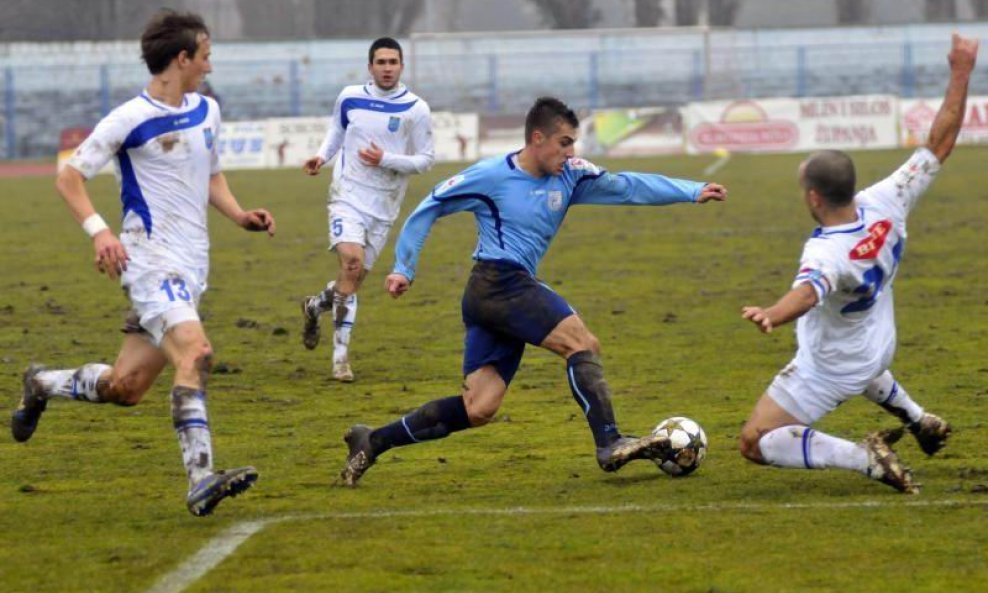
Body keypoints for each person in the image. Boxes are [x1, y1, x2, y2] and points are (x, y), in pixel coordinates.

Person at [339, 97, 727, 486]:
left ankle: (372, 441)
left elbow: (626, 186)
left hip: (495, 295)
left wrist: (691, 190)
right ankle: (609, 442)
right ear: (537, 138)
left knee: (479, 407)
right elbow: (430, 205)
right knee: (582, 343)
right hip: (499, 282)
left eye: (573, 143)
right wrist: (404, 267)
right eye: (563, 143)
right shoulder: (491, 175)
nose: (570, 152)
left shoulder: (571, 175)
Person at [11, 10, 276, 517]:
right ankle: (200, 480)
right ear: (182, 59)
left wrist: (240, 215)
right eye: (205, 54)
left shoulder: (208, 111)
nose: (210, 64)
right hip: (150, 261)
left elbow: (211, 174)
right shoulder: (128, 119)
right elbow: (69, 178)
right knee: (195, 355)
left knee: (125, 387)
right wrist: (101, 232)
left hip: (192, 267)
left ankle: (41, 384)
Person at [738, 34, 977, 494]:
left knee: (755, 440)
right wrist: (961, 72)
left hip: (832, 364)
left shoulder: (827, 252)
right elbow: (940, 141)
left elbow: (806, 294)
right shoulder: (887, 200)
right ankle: (917, 418)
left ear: (813, 197)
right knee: (861, 361)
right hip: (877, 343)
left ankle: (863, 457)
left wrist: (772, 313)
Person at [301, 37, 435, 382]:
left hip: (385, 204)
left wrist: (385, 159)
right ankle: (340, 360)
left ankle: (315, 306)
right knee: (352, 262)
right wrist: (322, 156)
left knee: (352, 281)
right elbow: (337, 131)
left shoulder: (415, 108)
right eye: (381, 62)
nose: (387, 68)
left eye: (393, 62)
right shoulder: (350, 97)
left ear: (401, 66)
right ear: (370, 66)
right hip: (347, 193)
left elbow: (425, 160)